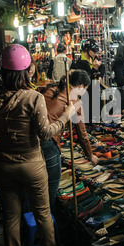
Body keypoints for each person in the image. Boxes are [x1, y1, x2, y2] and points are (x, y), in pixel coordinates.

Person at [0, 44, 76, 246]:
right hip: (32, 164)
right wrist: (65, 116)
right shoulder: (33, 97)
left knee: (11, 216)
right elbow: (45, 134)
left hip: (5, 164)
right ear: (26, 70)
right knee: (42, 213)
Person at [38, 69, 97, 212]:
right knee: (52, 184)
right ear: (81, 86)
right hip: (49, 140)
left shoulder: (50, 88)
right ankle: (49, 216)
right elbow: (82, 134)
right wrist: (90, 155)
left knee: (37, 183)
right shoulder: (74, 101)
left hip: (33, 138)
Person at [71, 39, 105, 123]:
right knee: (88, 116)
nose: (95, 53)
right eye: (93, 51)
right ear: (87, 50)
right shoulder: (79, 63)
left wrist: (100, 76)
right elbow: (85, 78)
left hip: (95, 89)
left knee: (96, 115)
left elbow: (102, 67)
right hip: (86, 93)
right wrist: (94, 69)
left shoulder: (94, 58)